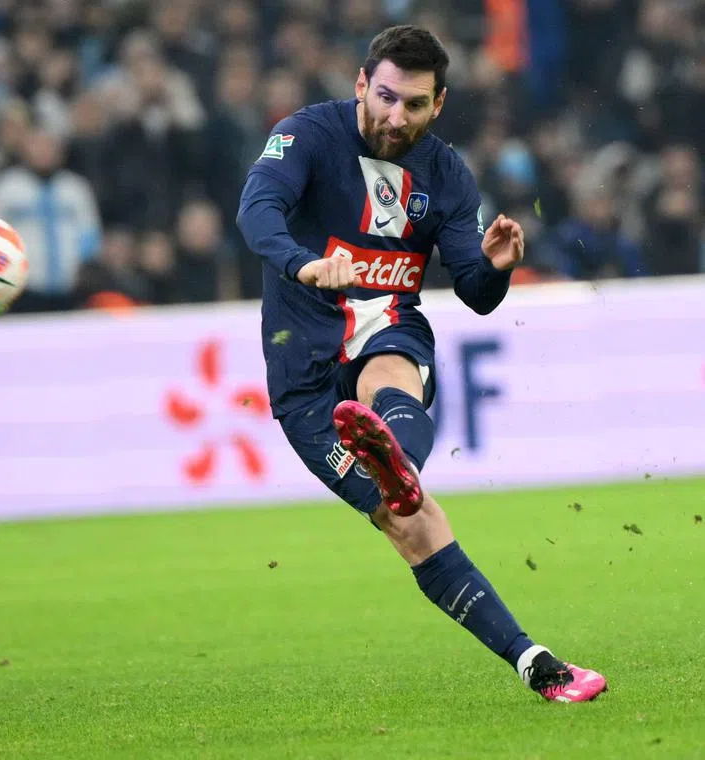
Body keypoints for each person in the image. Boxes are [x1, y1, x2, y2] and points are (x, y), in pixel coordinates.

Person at [236, 25, 607, 703]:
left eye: (412, 104)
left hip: (386, 324)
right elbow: (256, 208)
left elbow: (473, 288)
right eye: (384, 97)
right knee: (412, 525)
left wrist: (496, 271)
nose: (394, 116)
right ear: (360, 85)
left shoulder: (446, 175)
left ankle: (398, 466)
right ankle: (530, 659)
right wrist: (304, 263)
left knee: (390, 376)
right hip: (304, 368)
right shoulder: (307, 136)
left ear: (438, 105)